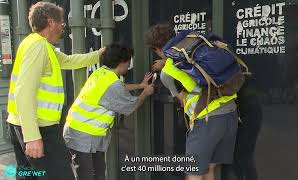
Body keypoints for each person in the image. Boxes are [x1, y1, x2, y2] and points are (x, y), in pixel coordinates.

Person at [7, 2, 106, 180]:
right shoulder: (39, 47)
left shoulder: (35, 44)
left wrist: (98, 54)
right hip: (39, 129)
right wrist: (32, 137)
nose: (63, 29)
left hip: (19, 124)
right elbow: (23, 91)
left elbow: (69, 61)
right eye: (62, 24)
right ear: (50, 22)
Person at [145, 24, 239, 180]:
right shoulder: (196, 49)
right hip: (230, 113)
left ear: (156, 49)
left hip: (207, 120)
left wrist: (165, 66)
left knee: (194, 172)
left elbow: (181, 99)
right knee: (210, 168)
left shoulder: (167, 73)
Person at [63, 43, 154, 180]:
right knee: (87, 176)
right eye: (128, 62)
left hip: (83, 133)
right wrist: (145, 93)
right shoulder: (112, 84)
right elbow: (131, 106)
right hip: (82, 136)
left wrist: (140, 85)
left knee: (97, 174)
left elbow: (119, 88)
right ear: (122, 63)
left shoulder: (102, 72)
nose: (128, 65)